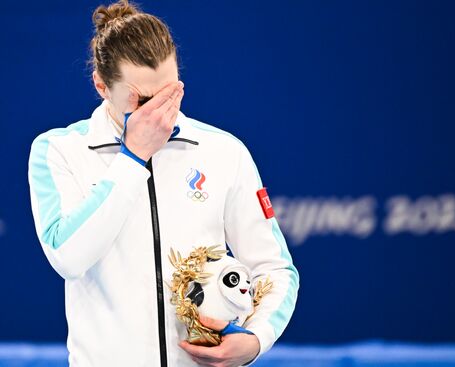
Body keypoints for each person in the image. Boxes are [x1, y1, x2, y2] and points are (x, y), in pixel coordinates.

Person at [27, 1, 299, 366]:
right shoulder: (59, 149)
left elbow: (275, 268)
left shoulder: (224, 151)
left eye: (171, 93)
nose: (160, 113)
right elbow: (68, 256)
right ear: (101, 85)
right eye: (142, 99)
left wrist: (256, 340)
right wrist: (133, 157)